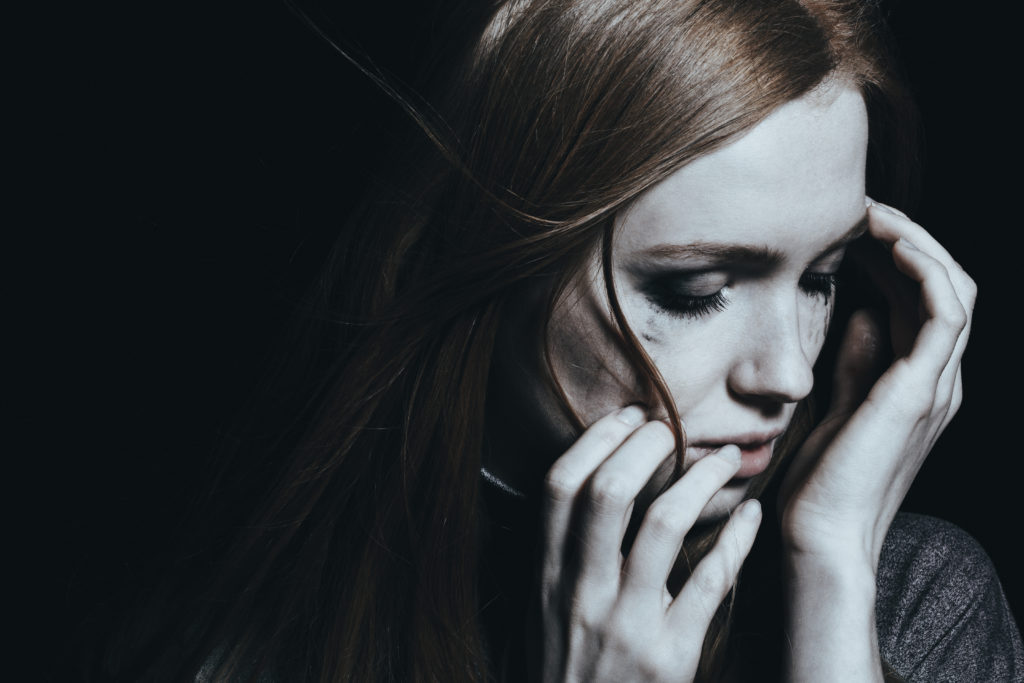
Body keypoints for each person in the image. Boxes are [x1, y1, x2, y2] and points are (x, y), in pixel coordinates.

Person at [101, 0, 1022, 681]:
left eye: (821, 278)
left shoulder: (905, 601)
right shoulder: (232, 632)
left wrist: (831, 571)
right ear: (488, 265)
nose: (786, 373)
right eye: (696, 293)